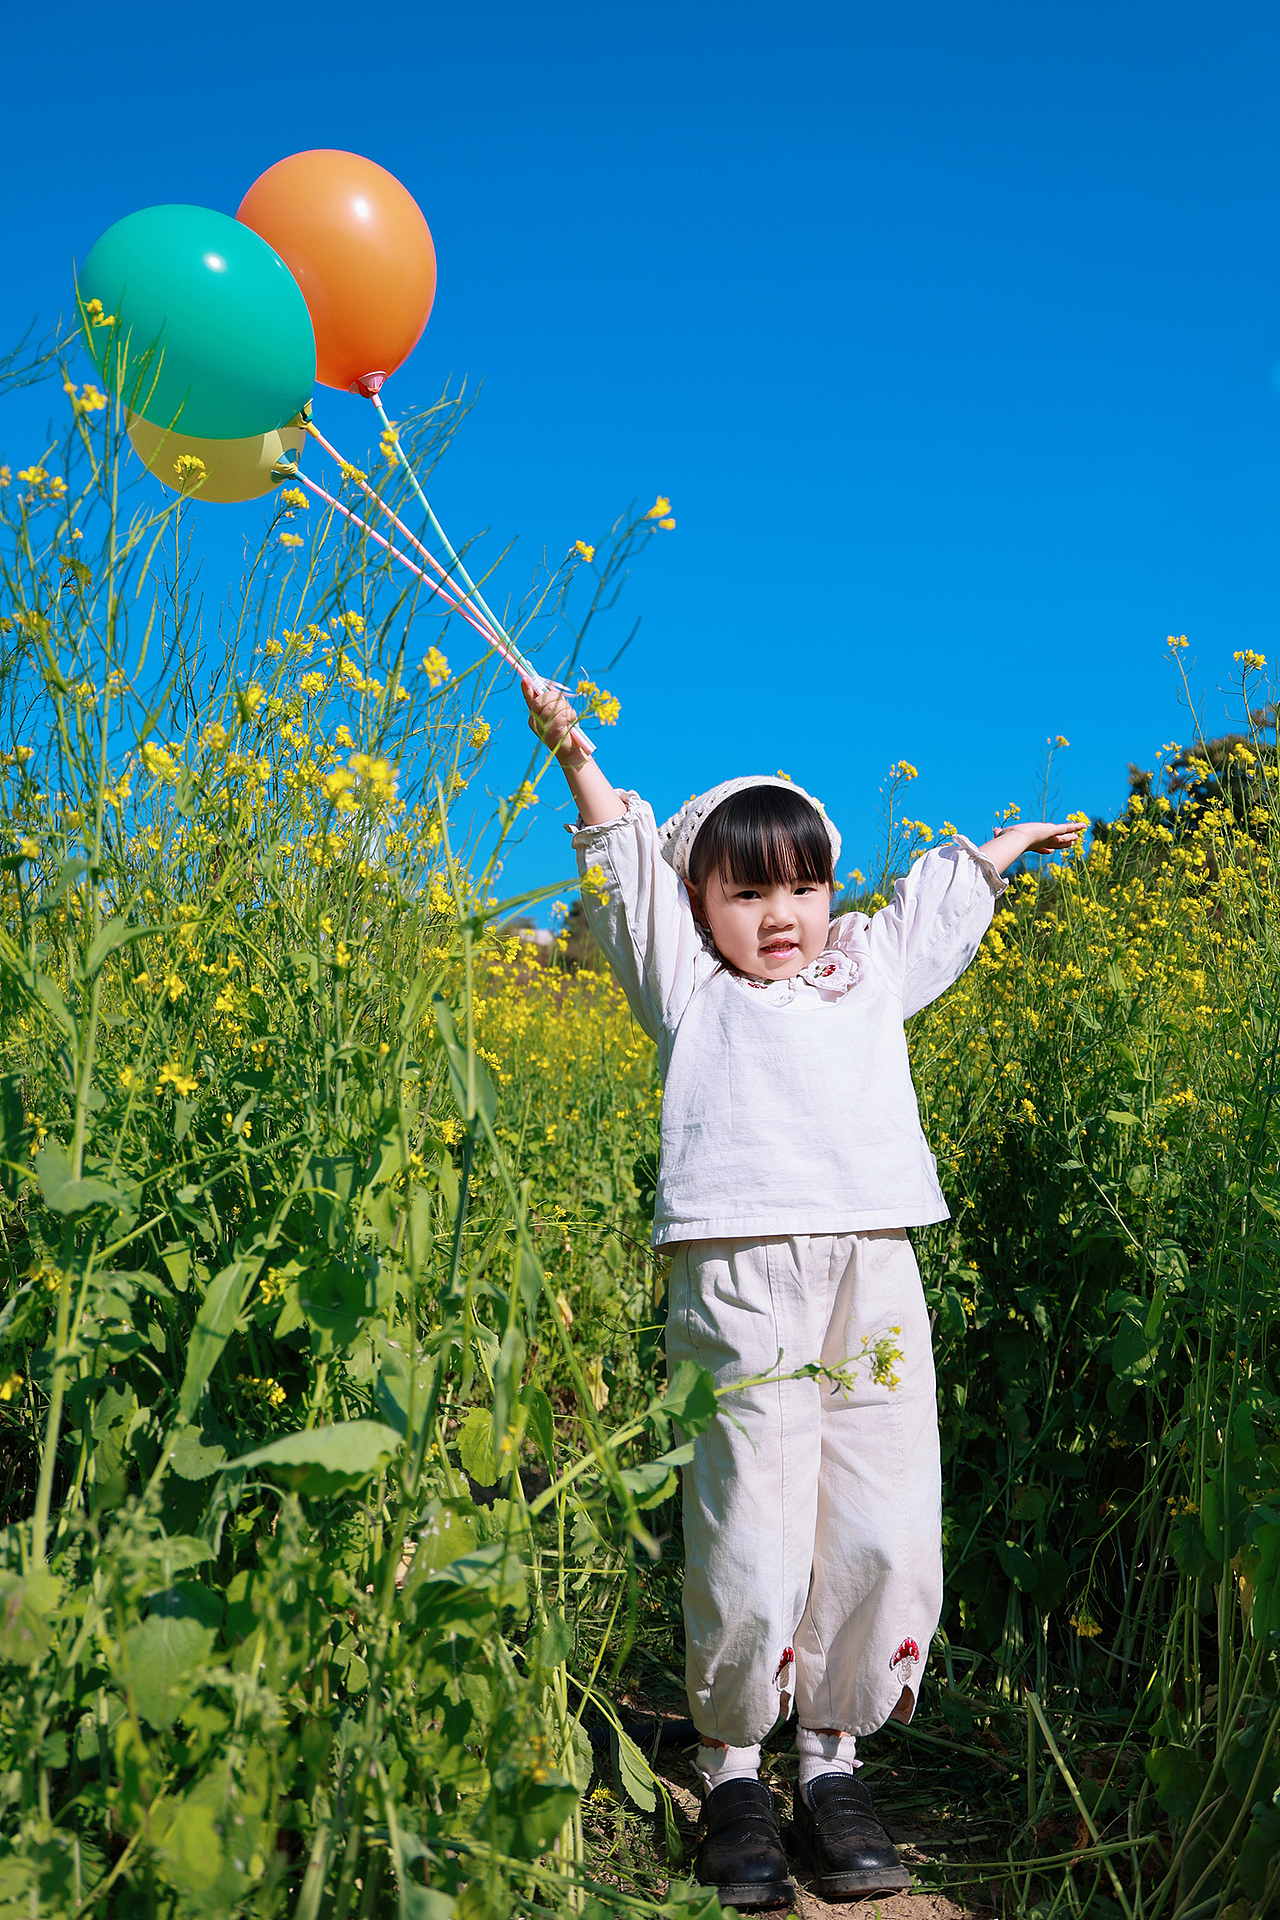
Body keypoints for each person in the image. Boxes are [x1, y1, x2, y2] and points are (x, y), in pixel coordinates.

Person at [522, 677, 1084, 1907]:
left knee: (882, 1516)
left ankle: (831, 1763)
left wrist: (1001, 847)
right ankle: (731, 1769)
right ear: (696, 904)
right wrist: (574, 755)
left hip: (870, 1267)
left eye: (803, 886)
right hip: (735, 1275)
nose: (781, 916)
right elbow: (621, 864)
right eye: (745, 893)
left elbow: (932, 908)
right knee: (748, 1526)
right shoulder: (686, 986)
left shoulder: (865, 970)